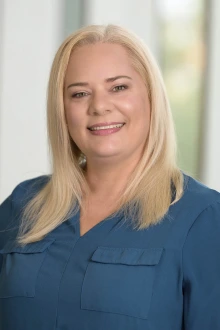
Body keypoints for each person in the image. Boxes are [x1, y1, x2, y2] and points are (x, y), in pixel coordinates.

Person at [0, 24, 220, 330]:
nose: (99, 106)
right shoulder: (22, 205)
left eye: (118, 87)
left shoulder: (204, 217)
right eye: (79, 93)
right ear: (62, 110)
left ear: (151, 97)